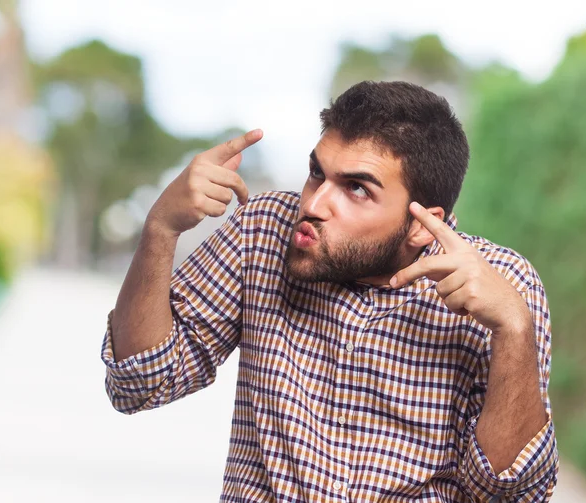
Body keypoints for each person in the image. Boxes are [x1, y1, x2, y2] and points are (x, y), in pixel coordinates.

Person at [101, 81, 558, 502]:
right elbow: (139, 385)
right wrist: (161, 228)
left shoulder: (502, 285)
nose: (314, 205)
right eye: (317, 173)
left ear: (421, 225)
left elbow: (509, 492)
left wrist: (515, 329)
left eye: (356, 188)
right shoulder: (263, 231)